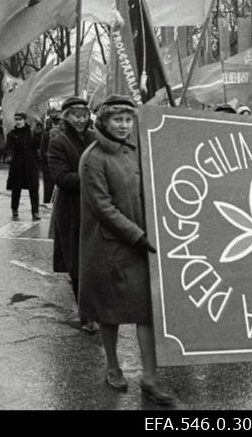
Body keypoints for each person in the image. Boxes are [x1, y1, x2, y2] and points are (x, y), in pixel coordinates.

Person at [78, 95, 174, 405]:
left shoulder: (137, 149)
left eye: (128, 119)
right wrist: (137, 236)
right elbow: (103, 207)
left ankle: (149, 377)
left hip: (141, 241)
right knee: (111, 312)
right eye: (117, 120)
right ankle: (113, 365)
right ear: (103, 122)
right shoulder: (93, 158)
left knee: (146, 312)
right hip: (110, 246)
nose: (123, 125)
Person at [47, 97, 98, 333]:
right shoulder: (58, 141)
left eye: (84, 114)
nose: (81, 119)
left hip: (96, 207)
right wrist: (93, 180)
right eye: (76, 114)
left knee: (97, 260)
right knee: (78, 263)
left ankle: (97, 307)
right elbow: (61, 178)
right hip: (72, 209)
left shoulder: (94, 137)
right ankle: (87, 315)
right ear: (66, 115)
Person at [5, 112, 41, 221]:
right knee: (16, 189)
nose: (18, 121)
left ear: (24, 120)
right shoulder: (11, 134)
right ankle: (14, 209)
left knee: (33, 189)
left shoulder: (32, 132)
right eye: (16, 119)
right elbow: (9, 148)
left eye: (20, 119)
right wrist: (10, 156)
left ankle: (35, 211)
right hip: (17, 164)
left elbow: (37, 146)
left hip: (30, 164)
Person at [40, 111, 62, 205]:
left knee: (49, 185)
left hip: (49, 162)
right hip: (59, 163)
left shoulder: (46, 133)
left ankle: (48, 202)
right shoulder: (63, 133)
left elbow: (42, 149)